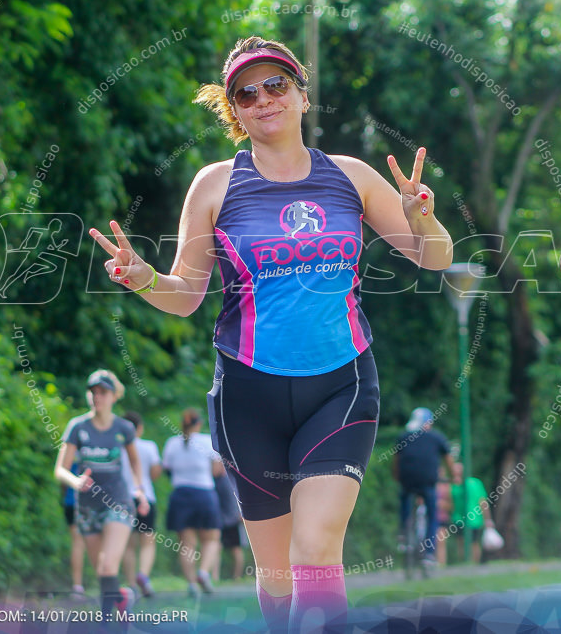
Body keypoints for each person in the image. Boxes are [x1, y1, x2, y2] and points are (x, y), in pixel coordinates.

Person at [89, 35, 453, 632]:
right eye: (246, 93)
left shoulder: (352, 177)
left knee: (315, 550)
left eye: (277, 85)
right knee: (277, 574)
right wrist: (144, 278)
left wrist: (424, 218)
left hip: (341, 387)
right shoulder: (213, 185)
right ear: (234, 111)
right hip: (247, 396)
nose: (264, 99)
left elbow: (434, 257)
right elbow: (184, 296)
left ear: (302, 95)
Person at [54, 370, 150, 624]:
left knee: (108, 567)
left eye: (103, 392)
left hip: (118, 502)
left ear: (114, 396)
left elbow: (135, 463)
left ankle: (106, 622)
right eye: (93, 392)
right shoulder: (77, 426)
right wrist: (76, 481)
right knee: (102, 571)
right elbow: (60, 469)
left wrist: (139, 489)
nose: (97, 397)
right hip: (87, 506)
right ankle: (121, 597)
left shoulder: (123, 428)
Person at [162, 407, 224, 597]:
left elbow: (166, 468)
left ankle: (191, 584)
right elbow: (217, 471)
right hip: (204, 494)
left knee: (187, 544)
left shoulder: (172, 443)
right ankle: (204, 572)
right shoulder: (207, 441)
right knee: (211, 539)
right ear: (199, 424)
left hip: (180, 495)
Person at [393, 407, 457, 565]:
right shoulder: (437, 438)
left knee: (405, 500)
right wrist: (453, 476)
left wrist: (397, 477)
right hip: (428, 481)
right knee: (432, 514)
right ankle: (429, 553)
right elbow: (449, 460)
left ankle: (404, 533)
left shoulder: (404, 436)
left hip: (407, 480)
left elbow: (396, 461)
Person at [120, 411, 162, 598]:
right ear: (140, 428)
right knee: (147, 541)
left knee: (128, 545)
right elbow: (155, 473)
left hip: (121, 498)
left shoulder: (117, 447)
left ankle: (131, 585)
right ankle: (143, 575)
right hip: (145, 496)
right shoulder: (148, 446)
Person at [448, 462, 491, 564]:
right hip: (459, 518)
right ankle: (464, 562)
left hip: (474, 518)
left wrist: (487, 519)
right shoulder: (452, 485)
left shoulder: (475, 483)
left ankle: (474, 563)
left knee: (473, 543)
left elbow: (482, 502)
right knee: (461, 542)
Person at [61, 459, 88, 599]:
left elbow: (63, 481)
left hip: (71, 500)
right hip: (91, 503)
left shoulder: (69, 452)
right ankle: (106, 582)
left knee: (77, 543)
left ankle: (77, 586)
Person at [214, 469, 245, 581]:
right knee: (217, 546)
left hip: (232, 519)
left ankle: (236, 577)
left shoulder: (227, 480)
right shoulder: (217, 480)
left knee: (235, 548)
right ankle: (215, 576)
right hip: (224, 519)